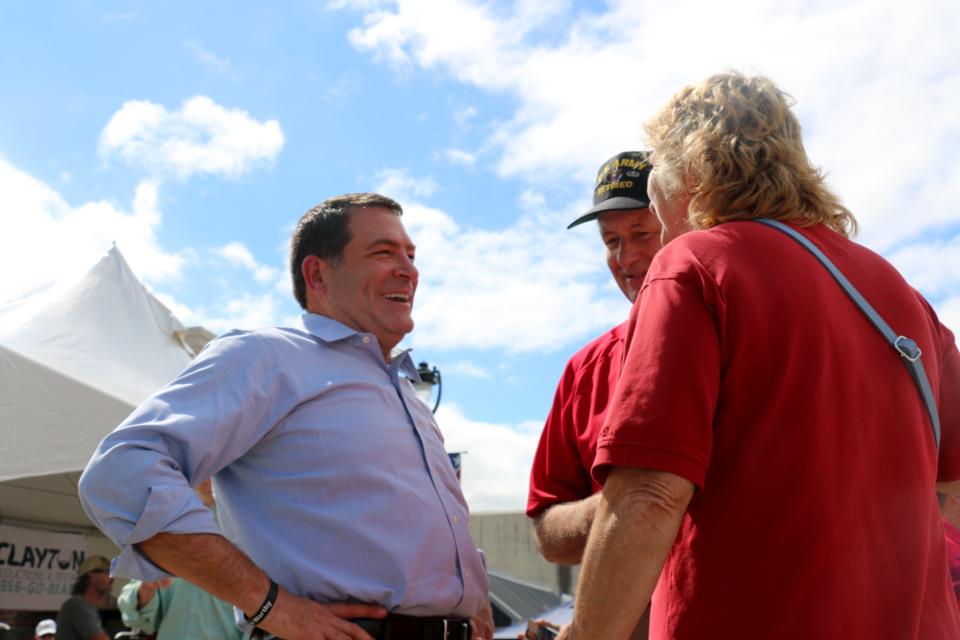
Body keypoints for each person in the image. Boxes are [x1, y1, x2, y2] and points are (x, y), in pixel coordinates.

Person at [561, 72, 960, 639]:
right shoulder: (903, 294)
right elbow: (951, 492)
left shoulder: (695, 265)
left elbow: (649, 493)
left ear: (689, 174)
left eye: (656, 179)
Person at [79, 193, 492, 640]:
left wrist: (476, 603)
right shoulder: (268, 356)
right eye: (383, 252)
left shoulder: (408, 397)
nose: (409, 270)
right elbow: (122, 471)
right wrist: (269, 604)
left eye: (411, 256)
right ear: (317, 273)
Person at [525, 151, 658, 640]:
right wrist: (630, 503)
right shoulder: (584, 370)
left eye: (643, 233)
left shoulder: (741, 337)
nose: (626, 258)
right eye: (611, 241)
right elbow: (545, 529)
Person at [117, 480, 243, 639]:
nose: (207, 470)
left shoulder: (243, 527)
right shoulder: (165, 523)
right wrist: (147, 587)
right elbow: (133, 617)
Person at [55, 556, 112, 640]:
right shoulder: (77, 605)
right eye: (107, 573)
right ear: (91, 576)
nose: (112, 578)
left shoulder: (87, 607)